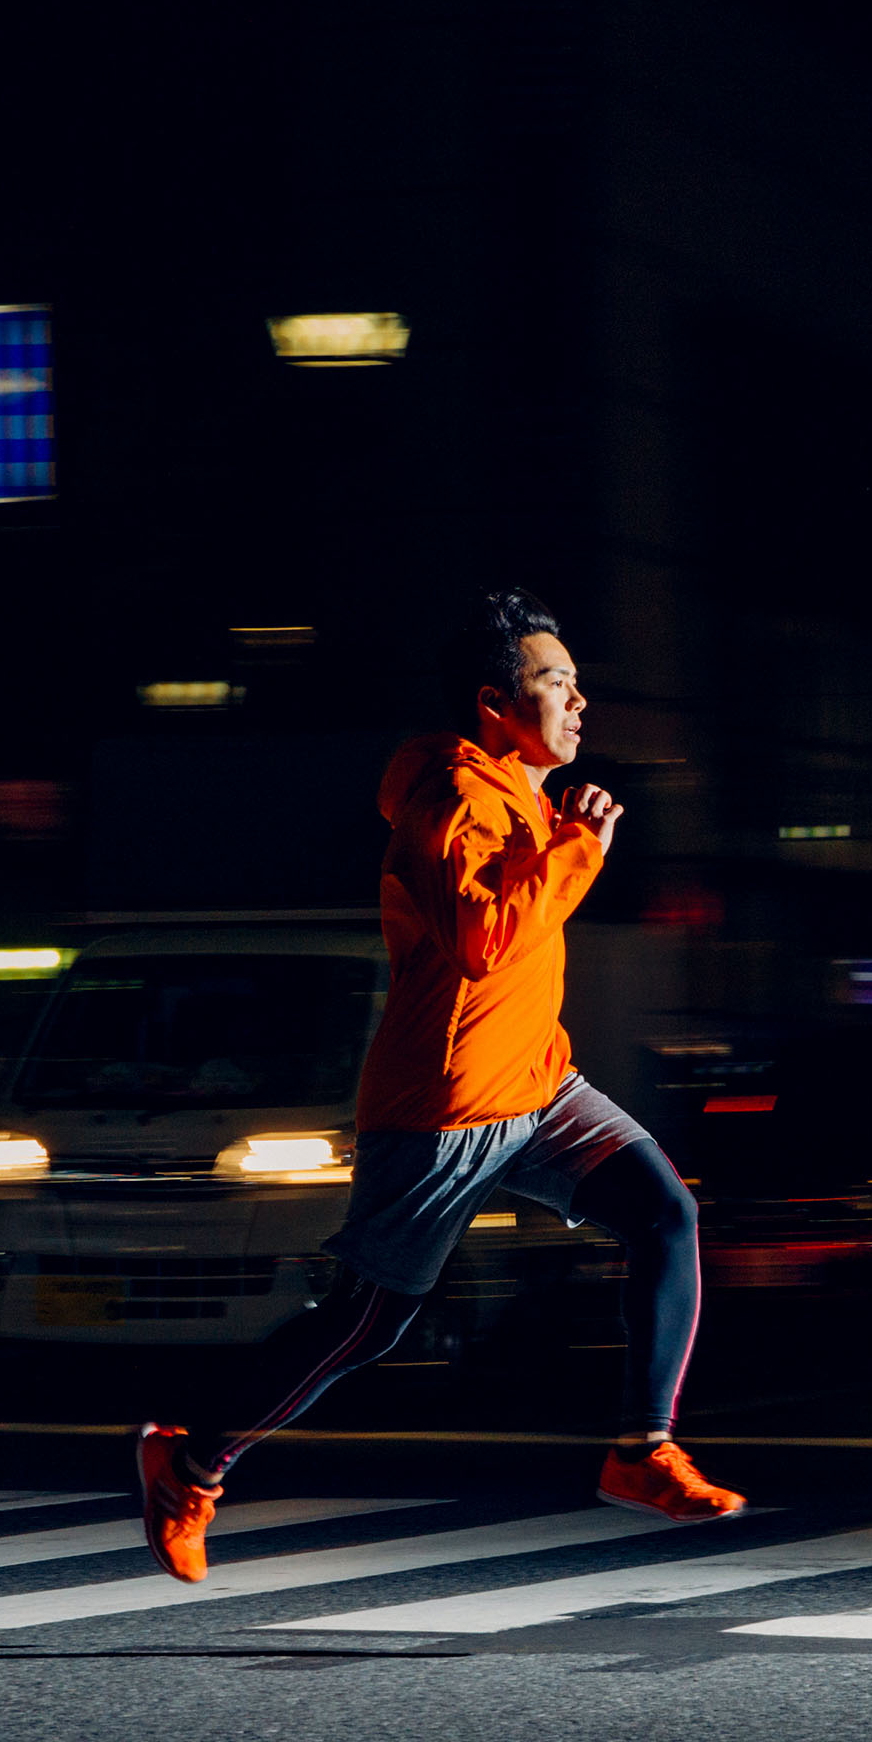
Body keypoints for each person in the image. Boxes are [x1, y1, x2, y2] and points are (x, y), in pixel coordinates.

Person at [133, 588, 743, 1581]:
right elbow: (482, 941)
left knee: (665, 1213)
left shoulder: (517, 785)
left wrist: (561, 838)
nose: (581, 703)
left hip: (538, 1081)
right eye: (558, 684)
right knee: (366, 1325)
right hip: (446, 1101)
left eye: (580, 684)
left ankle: (643, 1451)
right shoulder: (454, 798)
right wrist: (581, 850)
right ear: (496, 703)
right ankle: (189, 1462)